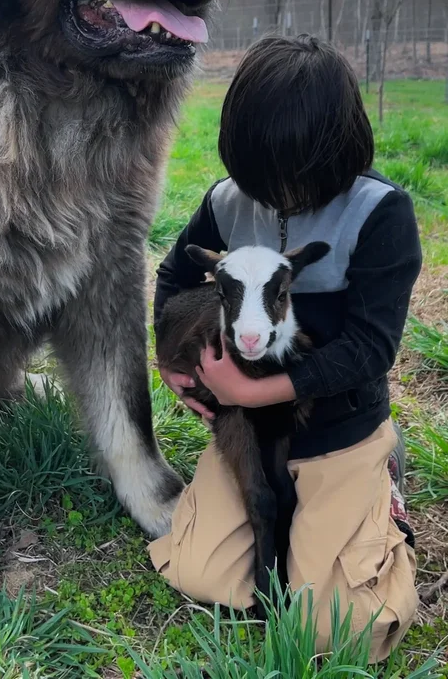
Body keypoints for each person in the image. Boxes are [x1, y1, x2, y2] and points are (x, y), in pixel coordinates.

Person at [150, 34, 421, 662]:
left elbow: (370, 348)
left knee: (335, 629)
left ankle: (382, 488)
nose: (280, 191)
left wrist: (255, 390)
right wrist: (170, 364)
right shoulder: (227, 201)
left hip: (338, 427)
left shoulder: (379, 213)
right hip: (246, 428)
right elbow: (173, 276)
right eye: (264, 172)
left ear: (339, 147)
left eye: (298, 172)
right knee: (202, 574)